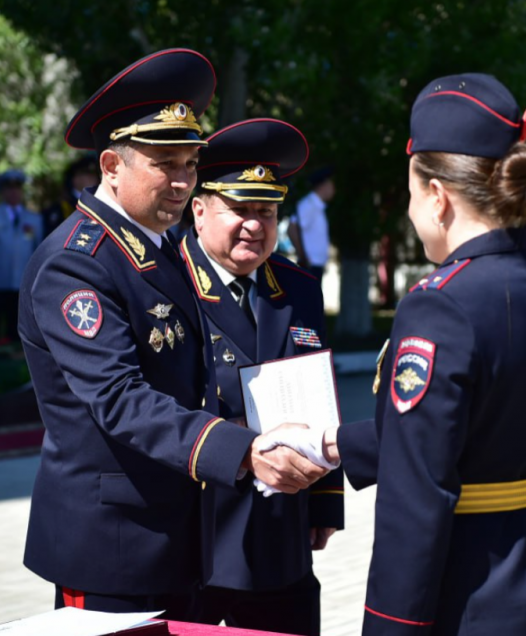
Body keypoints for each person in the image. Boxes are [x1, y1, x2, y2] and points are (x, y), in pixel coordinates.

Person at [17, 49, 328, 618]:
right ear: (111, 166)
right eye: (165, 163)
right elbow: (120, 399)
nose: (184, 181)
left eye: (190, 163)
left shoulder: (153, 250)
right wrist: (245, 451)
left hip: (175, 537)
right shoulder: (76, 264)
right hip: (112, 546)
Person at [308, 73, 526, 635]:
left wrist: (389, 626)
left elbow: (418, 495)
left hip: (470, 587)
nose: (412, 212)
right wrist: (330, 444)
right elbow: (477, 426)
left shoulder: (440, 305)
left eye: (412, 194)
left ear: (437, 197)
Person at [181, 118, 345, 636]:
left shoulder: (297, 287)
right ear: (200, 209)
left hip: (280, 528)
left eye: (267, 211)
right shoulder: (165, 282)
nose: (255, 224)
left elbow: (321, 392)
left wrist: (325, 501)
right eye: (240, 209)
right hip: (197, 531)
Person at [0, 169, 42, 342]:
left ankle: (17, 347)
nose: (13, 192)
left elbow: (40, 249)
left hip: (22, 280)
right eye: (9, 188)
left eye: (17, 188)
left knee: (18, 321)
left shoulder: (34, 219)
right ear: (2, 191)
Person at [290, 167, 335, 281]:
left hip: (315, 266)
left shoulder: (317, 206)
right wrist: (302, 256)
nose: (333, 189)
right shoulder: (309, 205)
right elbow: (292, 228)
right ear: (323, 186)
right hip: (309, 266)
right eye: (330, 185)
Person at [43, 155, 100, 237]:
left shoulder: (100, 202)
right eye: (88, 173)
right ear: (75, 179)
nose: (93, 178)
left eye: (95, 174)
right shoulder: (61, 207)